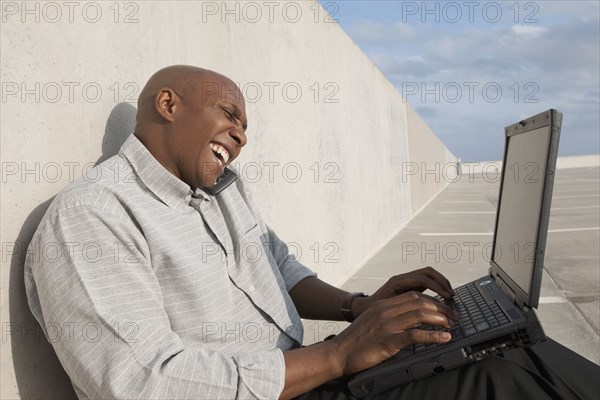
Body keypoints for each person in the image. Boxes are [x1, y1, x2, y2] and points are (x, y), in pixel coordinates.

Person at [25, 65, 599, 400]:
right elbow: (142, 385)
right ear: (168, 105)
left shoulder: (223, 191)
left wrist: (361, 306)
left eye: (246, 128)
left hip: (310, 375)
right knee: (506, 375)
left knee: (509, 345)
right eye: (229, 114)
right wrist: (339, 358)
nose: (240, 135)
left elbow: (280, 265)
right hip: (303, 382)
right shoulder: (93, 217)